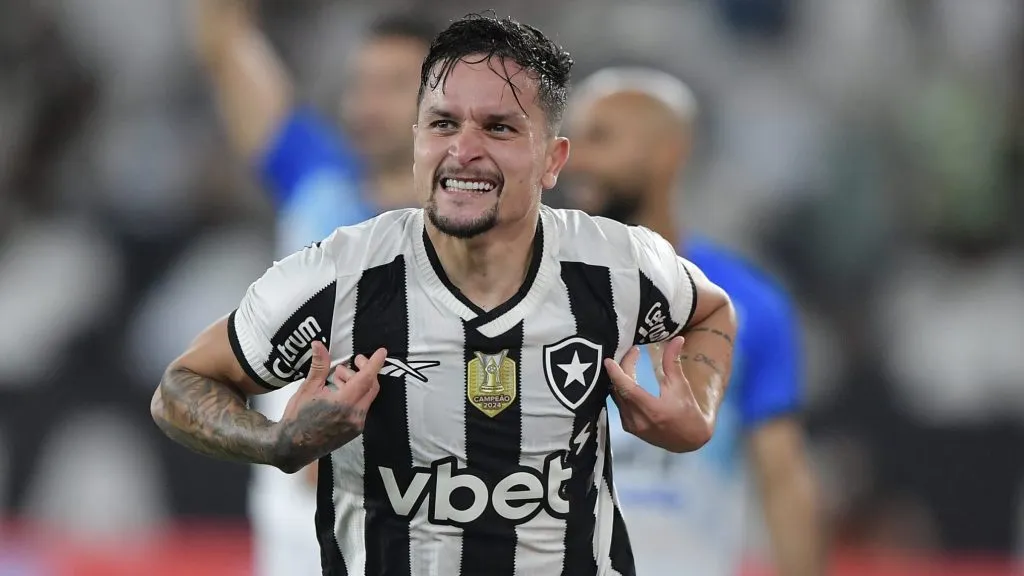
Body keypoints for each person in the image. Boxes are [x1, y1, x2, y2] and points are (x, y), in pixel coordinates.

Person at [152, 13, 738, 575]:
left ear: (553, 159)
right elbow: (181, 385)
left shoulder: (614, 265)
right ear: (417, 143)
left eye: (499, 127)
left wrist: (699, 409)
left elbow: (710, 309)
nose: (464, 149)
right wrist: (275, 440)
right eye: (442, 124)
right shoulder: (339, 273)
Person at [190, 3, 434, 574]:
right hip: (296, 544)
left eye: (395, 85)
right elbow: (228, 48)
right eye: (361, 84)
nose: (369, 104)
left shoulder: (496, 238)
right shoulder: (318, 186)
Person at [564, 67, 823, 576]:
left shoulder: (746, 302)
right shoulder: (531, 288)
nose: (577, 158)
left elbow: (782, 476)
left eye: (601, 137)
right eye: (573, 139)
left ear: (668, 151)